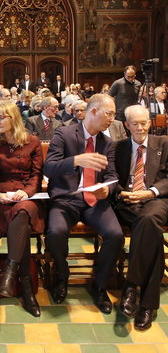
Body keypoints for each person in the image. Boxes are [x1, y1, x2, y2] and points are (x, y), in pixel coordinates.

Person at [44, 93, 124, 314]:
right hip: (67, 198)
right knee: (55, 231)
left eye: (114, 115)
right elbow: (49, 168)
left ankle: (99, 285)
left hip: (94, 200)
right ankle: (62, 276)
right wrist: (76, 160)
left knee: (115, 235)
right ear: (94, 111)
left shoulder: (107, 142)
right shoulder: (65, 133)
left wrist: (107, 188)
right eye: (109, 114)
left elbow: (111, 176)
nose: (112, 119)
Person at [0, 101, 44, 317]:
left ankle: (9, 271)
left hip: (27, 195)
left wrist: (27, 192)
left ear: (13, 118)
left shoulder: (32, 141)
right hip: (2, 198)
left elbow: (37, 174)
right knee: (22, 224)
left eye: (1, 117)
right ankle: (26, 290)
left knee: (24, 212)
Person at [113, 105, 168, 331]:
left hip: (157, 200)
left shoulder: (164, 144)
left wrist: (150, 192)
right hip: (127, 202)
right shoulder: (118, 147)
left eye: (144, 122)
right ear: (126, 125)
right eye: (135, 123)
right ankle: (147, 304)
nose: (140, 127)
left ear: (150, 122)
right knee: (151, 233)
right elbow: (111, 178)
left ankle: (132, 285)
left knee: (148, 221)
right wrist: (122, 192)